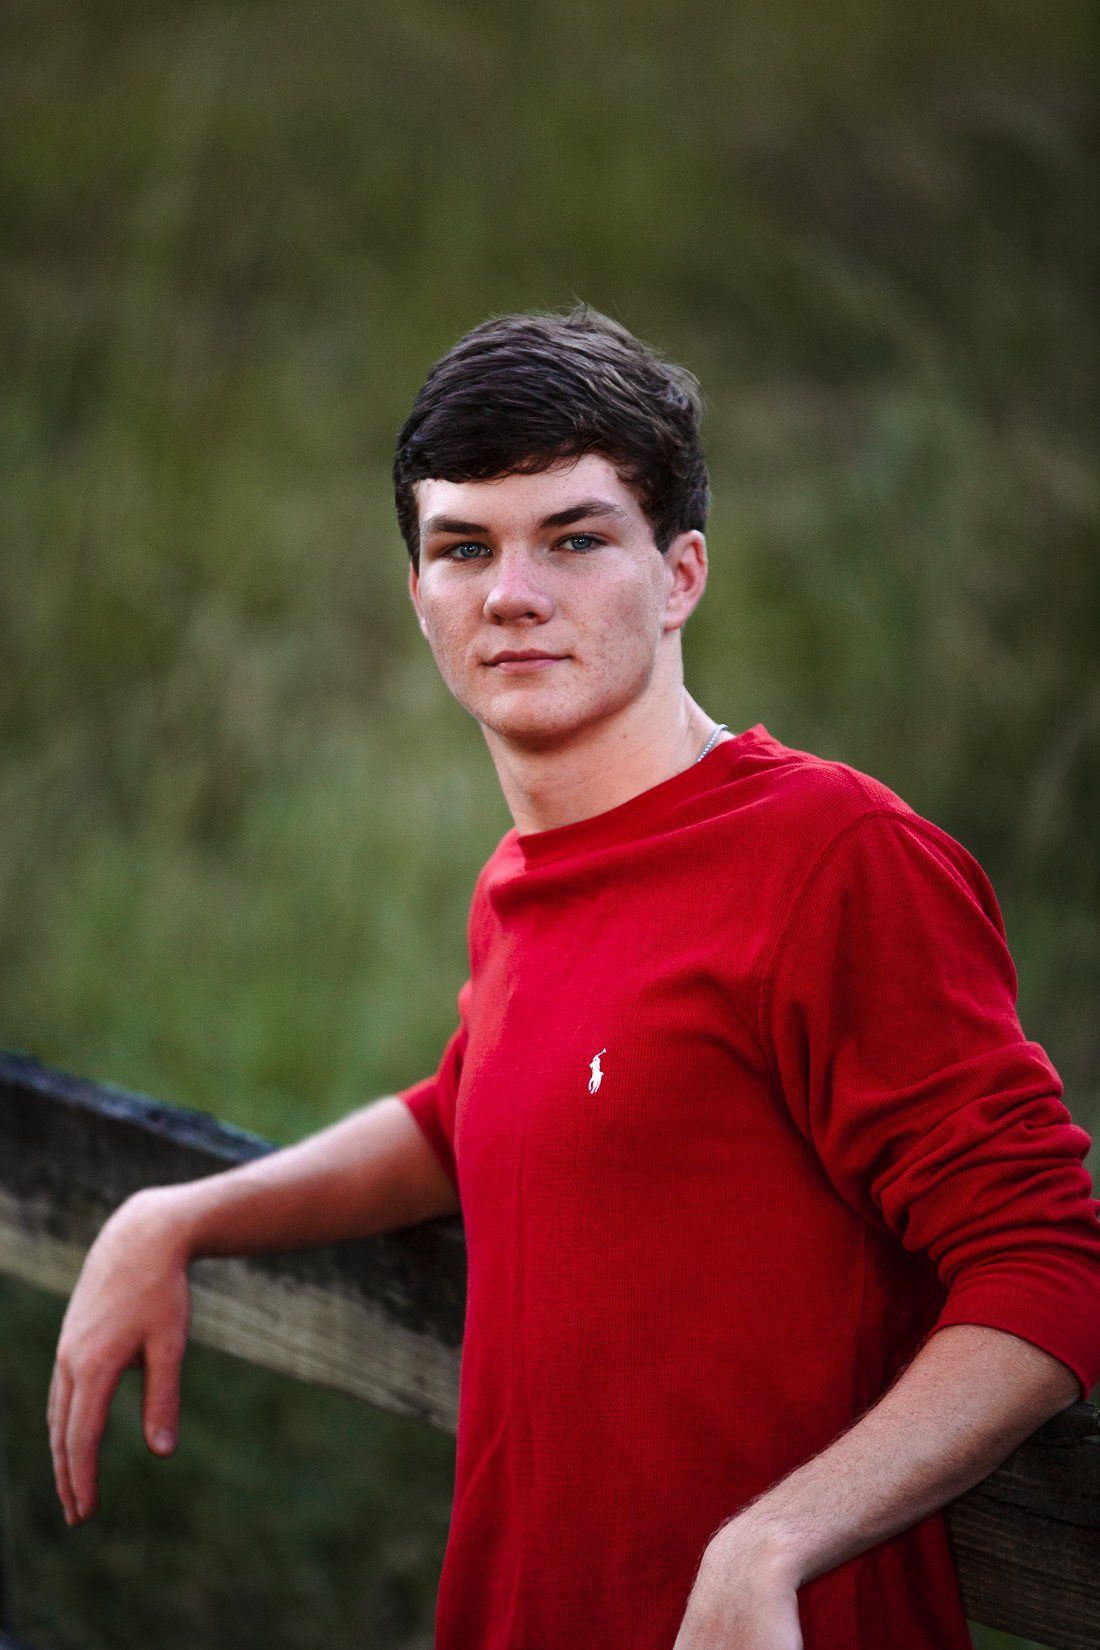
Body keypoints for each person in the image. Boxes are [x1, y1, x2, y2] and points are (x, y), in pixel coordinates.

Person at [49, 305, 1100, 1650]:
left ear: (681, 576)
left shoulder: (836, 862)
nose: (513, 592)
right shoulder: (523, 877)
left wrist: (777, 1536)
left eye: (577, 537)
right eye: (465, 546)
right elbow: (470, 1108)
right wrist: (175, 1214)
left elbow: (1047, 1259)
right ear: (418, 595)